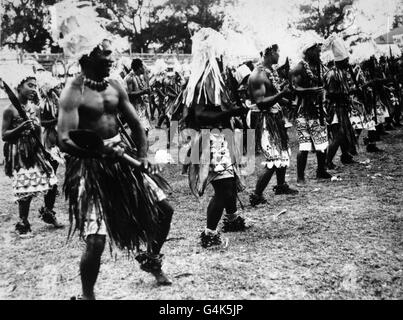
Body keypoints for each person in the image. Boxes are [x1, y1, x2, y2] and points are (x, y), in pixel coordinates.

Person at [58, 39, 174, 300]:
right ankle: (88, 296)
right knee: (96, 241)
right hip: (90, 168)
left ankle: (152, 259)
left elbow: (135, 123)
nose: (112, 59)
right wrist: (97, 151)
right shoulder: (72, 91)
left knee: (165, 210)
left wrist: (143, 155)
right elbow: (64, 139)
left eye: (112, 53)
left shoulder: (115, 86)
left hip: (123, 161)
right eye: (106, 54)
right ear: (88, 57)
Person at [181, 28, 249, 248]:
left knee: (228, 182)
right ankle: (209, 234)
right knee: (224, 188)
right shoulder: (207, 78)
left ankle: (232, 219)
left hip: (218, 137)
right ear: (213, 54)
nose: (223, 57)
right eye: (220, 53)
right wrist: (232, 113)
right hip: (212, 139)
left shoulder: (210, 76)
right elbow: (201, 115)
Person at [1, 75, 62, 235]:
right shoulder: (10, 110)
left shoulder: (35, 108)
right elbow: (4, 135)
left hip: (36, 149)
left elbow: (39, 130)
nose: (34, 89)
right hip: (20, 153)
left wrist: (42, 145)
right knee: (25, 188)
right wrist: (20, 128)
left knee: (52, 180)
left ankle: (48, 212)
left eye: (35, 86)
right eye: (30, 85)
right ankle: (23, 222)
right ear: (19, 87)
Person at [248, 45, 298, 207]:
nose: (279, 55)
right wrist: (282, 94)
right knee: (273, 157)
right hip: (265, 119)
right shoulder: (258, 75)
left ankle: (281, 185)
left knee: (282, 152)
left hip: (276, 117)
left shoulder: (271, 71)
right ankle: (256, 195)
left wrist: (288, 101)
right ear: (269, 53)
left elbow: (272, 95)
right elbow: (261, 103)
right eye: (278, 52)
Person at [291, 39, 332, 184]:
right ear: (309, 52)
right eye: (316, 50)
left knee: (322, 142)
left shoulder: (321, 67)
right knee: (304, 145)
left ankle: (321, 171)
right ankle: (300, 177)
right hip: (303, 111)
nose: (319, 52)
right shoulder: (299, 68)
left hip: (319, 110)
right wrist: (312, 90)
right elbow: (295, 89)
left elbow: (326, 82)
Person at [323, 36, 358, 168]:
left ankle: (345, 156)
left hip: (340, 106)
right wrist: (347, 93)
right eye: (345, 60)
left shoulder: (340, 72)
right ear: (340, 61)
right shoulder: (333, 74)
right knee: (338, 135)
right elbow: (331, 93)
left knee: (343, 132)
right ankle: (327, 161)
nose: (348, 62)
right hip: (334, 108)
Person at [124, 58, 152, 135]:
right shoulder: (130, 77)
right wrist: (144, 91)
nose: (144, 68)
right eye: (143, 67)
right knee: (139, 132)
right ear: (139, 67)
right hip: (135, 109)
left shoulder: (139, 76)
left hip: (142, 108)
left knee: (145, 131)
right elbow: (129, 94)